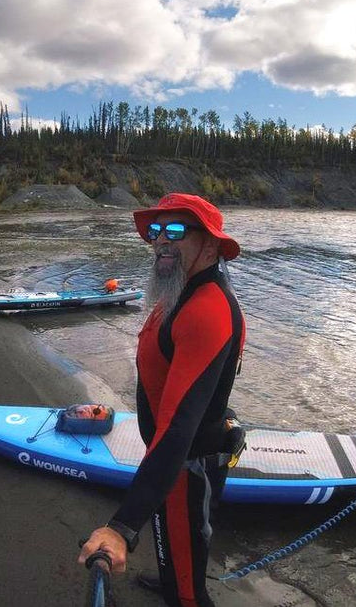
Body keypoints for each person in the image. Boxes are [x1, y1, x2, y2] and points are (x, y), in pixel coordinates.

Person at [78, 193, 245, 607]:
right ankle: (171, 577)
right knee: (172, 547)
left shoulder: (208, 309)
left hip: (185, 468)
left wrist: (121, 527)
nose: (161, 241)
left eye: (175, 231)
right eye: (156, 231)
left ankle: (181, 589)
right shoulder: (179, 291)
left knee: (188, 589)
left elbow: (178, 429)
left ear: (209, 244)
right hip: (168, 464)